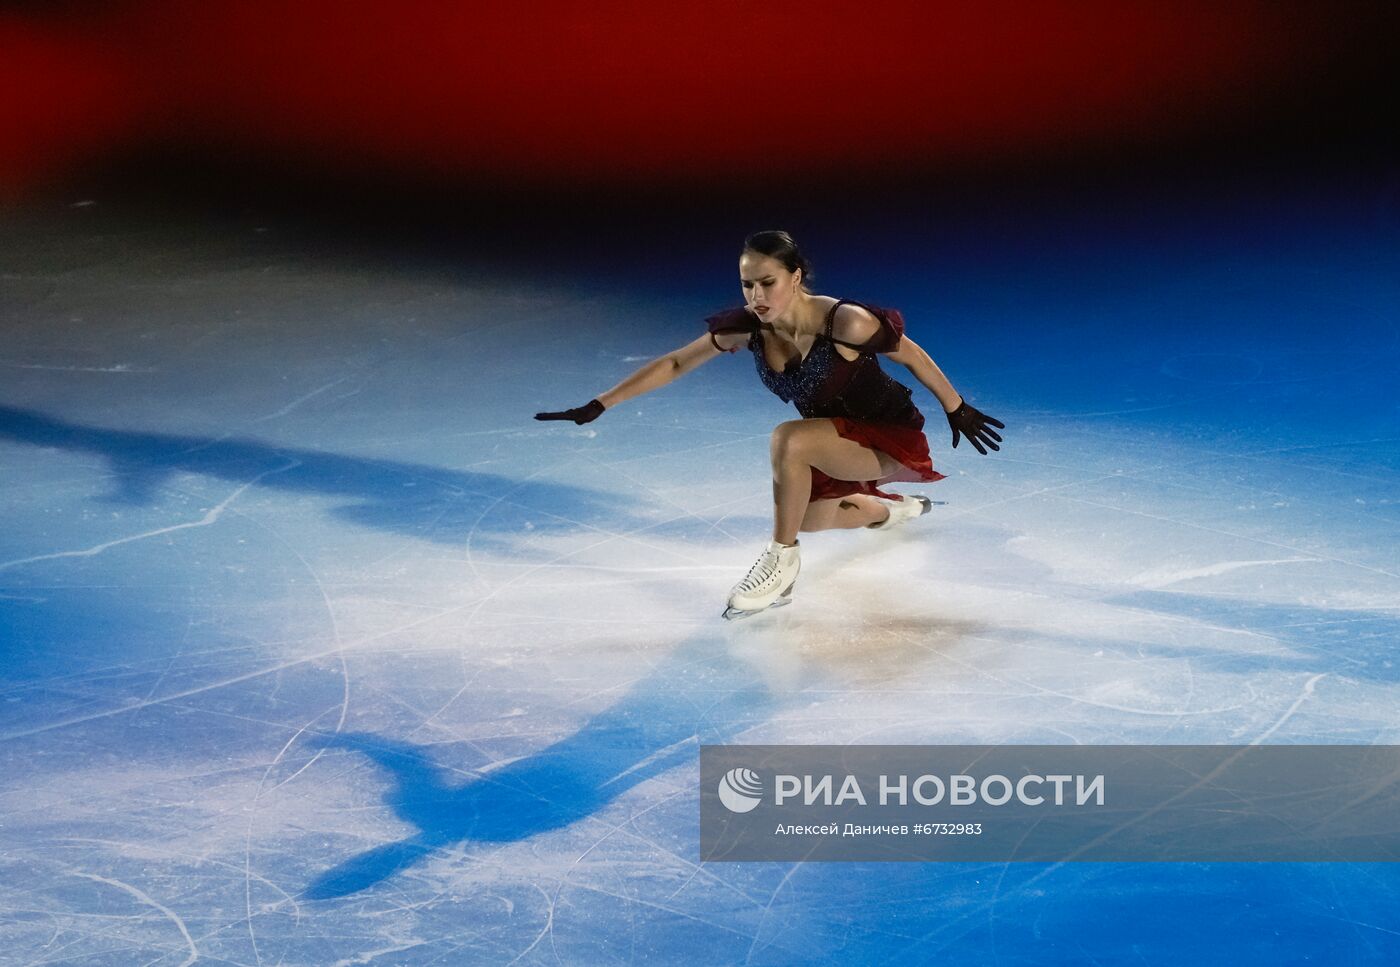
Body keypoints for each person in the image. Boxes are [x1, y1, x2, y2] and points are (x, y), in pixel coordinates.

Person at [536, 230, 1003, 619]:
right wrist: (601, 403)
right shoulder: (750, 327)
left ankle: (781, 565)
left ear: (795, 277)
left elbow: (911, 353)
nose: (756, 297)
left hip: (886, 437)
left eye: (767, 283)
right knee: (811, 517)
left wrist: (956, 407)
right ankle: (895, 509)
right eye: (747, 286)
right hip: (830, 439)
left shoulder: (846, 322)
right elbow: (677, 363)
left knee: (788, 440)